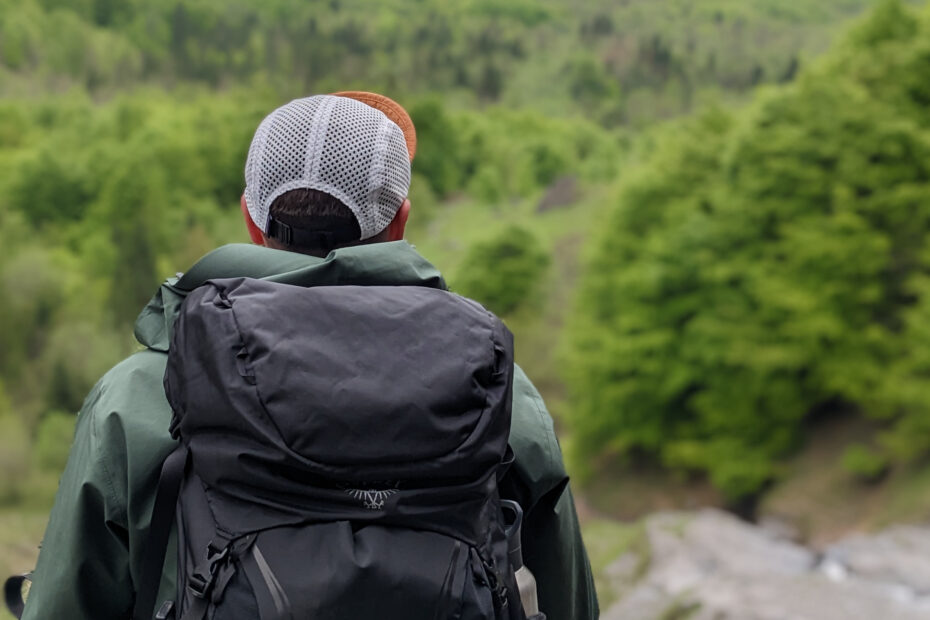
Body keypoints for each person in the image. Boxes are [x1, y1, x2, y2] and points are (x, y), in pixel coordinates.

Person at [19, 92, 599, 620]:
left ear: (251, 218)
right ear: (400, 220)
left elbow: (64, 605)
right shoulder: (496, 388)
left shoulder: (143, 394)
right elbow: (570, 605)